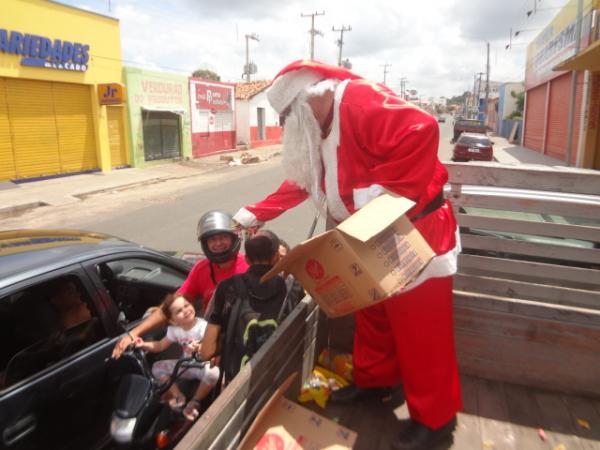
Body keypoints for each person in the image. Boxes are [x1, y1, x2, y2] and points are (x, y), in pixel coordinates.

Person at [232, 60, 462, 450]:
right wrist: (257, 211)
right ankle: (377, 383)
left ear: (312, 98)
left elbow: (422, 129)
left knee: (421, 331)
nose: (288, 125)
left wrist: (378, 195)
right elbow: (303, 181)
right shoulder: (317, 128)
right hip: (367, 236)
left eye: (289, 116)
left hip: (415, 234)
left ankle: (437, 422)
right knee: (373, 314)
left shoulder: (358, 100)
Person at [112, 210, 248, 359]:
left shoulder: (249, 266)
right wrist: (133, 333)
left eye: (223, 237)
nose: (218, 243)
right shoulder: (201, 269)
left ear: (235, 238)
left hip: (241, 336)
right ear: (205, 243)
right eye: (212, 239)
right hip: (209, 337)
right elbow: (171, 307)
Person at [200, 230, 287, 385]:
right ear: (276, 257)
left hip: (239, 380)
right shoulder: (291, 285)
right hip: (280, 369)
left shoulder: (226, 288)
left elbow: (207, 352)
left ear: (246, 259)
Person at [135, 294, 220, 421]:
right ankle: (177, 394)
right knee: (156, 368)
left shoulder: (203, 326)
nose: (186, 310)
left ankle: (195, 400)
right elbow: (160, 345)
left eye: (186, 305)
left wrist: (199, 347)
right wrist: (143, 345)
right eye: (179, 311)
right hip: (186, 366)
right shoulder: (174, 330)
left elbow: (211, 347)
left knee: (213, 373)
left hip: (202, 365)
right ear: (173, 320)